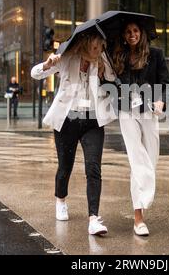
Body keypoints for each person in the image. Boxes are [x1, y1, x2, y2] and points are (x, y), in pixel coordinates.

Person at [30, 32, 117, 236]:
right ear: (86, 46)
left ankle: (93, 219)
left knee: (93, 167)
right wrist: (48, 63)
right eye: (96, 48)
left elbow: (115, 79)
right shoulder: (67, 57)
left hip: (93, 121)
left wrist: (106, 72)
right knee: (65, 167)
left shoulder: (102, 60)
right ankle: (61, 199)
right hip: (67, 120)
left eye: (101, 47)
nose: (99, 51)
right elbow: (35, 73)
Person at [112, 21, 169, 236]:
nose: (132, 35)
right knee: (137, 159)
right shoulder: (117, 56)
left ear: (142, 33)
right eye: (127, 31)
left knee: (150, 159)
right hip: (127, 112)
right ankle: (138, 219)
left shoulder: (156, 54)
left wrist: (162, 102)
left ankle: (146, 191)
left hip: (149, 112)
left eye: (135, 30)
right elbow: (110, 81)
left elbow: (166, 84)